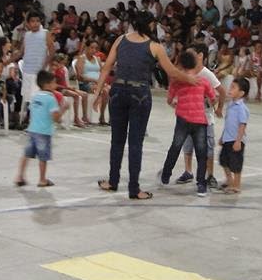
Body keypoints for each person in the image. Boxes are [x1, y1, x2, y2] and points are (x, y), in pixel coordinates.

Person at [94, 11, 197, 200]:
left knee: (117, 140)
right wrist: (190, 79)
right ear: (150, 25)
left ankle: (113, 181)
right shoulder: (155, 46)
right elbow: (172, 72)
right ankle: (134, 189)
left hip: (117, 91)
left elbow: (107, 67)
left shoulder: (120, 39)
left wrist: (98, 92)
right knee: (135, 142)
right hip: (139, 94)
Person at [160, 51, 216, 196]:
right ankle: (201, 185)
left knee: (175, 147)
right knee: (201, 153)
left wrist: (175, 104)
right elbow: (213, 98)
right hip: (200, 121)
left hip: (183, 120)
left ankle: (165, 175)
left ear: (181, 65)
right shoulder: (203, 81)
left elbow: (169, 100)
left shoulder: (177, 81)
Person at [177, 43, 224, 190]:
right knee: (188, 145)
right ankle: (188, 171)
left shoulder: (206, 74)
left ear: (200, 56)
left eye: (190, 54)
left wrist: (219, 108)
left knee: (207, 147)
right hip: (188, 115)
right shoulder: (186, 72)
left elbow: (221, 91)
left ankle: (210, 175)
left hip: (205, 118)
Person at [14, 70, 62, 188]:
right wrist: (64, 108)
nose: (56, 85)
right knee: (43, 157)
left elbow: (32, 111)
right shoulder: (51, 99)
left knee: (26, 154)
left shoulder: (35, 96)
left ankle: (20, 176)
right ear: (47, 85)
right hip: (44, 132)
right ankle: (42, 179)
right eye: (54, 83)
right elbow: (56, 117)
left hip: (32, 130)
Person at [14, 11, 56, 126]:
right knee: (28, 97)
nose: (35, 23)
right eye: (32, 21)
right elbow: (21, 52)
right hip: (27, 70)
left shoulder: (45, 33)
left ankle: (34, 121)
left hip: (39, 72)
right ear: (28, 23)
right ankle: (29, 119)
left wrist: (45, 65)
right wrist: (8, 61)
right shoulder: (27, 35)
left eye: (37, 21)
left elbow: (52, 51)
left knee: (37, 97)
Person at [218, 77, 250, 194]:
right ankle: (229, 180)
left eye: (233, 87)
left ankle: (236, 185)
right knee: (223, 160)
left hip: (236, 140)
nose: (230, 89)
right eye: (230, 86)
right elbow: (228, 123)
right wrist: (222, 136)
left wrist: (238, 141)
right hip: (227, 139)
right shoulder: (230, 104)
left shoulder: (241, 108)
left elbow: (242, 125)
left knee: (236, 164)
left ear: (241, 93)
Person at [51, 53, 89, 128]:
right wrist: (72, 89)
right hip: (58, 89)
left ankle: (82, 117)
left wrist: (74, 89)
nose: (63, 64)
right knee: (76, 95)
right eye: (62, 62)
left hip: (64, 88)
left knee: (83, 94)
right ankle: (76, 118)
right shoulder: (54, 70)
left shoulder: (63, 69)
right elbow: (55, 85)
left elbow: (66, 84)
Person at [75, 42, 108, 125]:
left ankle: (102, 116)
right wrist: (93, 80)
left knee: (108, 90)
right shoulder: (81, 58)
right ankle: (85, 116)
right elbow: (80, 76)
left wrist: (102, 82)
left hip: (98, 84)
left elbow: (102, 73)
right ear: (87, 48)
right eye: (92, 48)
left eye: (96, 48)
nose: (94, 50)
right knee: (100, 90)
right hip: (86, 83)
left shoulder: (98, 59)